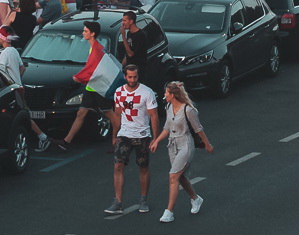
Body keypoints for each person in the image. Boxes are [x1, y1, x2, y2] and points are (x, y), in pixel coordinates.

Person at [149, 80, 212, 223]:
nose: (164, 95)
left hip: (186, 145)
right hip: (173, 145)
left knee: (173, 176)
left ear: (172, 94)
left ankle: (169, 211)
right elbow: (167, 127)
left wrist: (207, 144)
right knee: (181, 177)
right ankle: (196, 199)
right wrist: (157, 141)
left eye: (166, 93)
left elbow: (198, 129)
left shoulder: (188, 110)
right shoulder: (169, 106)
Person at [105, 63, 160, 215]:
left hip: (142, 136)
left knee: (143, 168)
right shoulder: (118, 92)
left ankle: (143, 199)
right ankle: (118, 202)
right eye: (129, 77)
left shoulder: (146, 92)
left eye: (135, 77)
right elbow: (117, 115)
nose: (132, 79)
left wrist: (155, 138)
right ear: (125, 77)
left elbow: (153, 116)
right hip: (125, 135)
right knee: (118, 166)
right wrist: (114, 135)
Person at [55, 22, 114, 151]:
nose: (83, 33)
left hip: (98, 88)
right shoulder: (95, 47)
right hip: (92, 87)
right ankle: (67, 141)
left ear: (92, 34)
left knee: (110, 114)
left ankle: (117, 142)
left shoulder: (96, 49)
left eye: (86, 31)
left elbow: (92, 68)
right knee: (81, 113)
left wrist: (79, 77)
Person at [0, 27, 50, 152]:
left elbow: (1, 73)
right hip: (19, 88)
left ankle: (42, 137)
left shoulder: (5, 53)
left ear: (2, 38)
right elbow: (22, 68)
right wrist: (17, 79)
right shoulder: (14, 51)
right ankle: (41, 136)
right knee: (25, 114)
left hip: (12, 91)